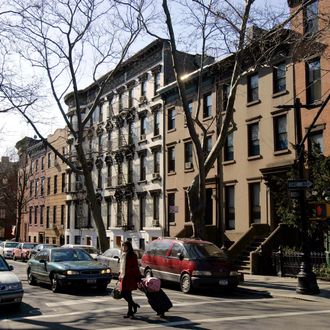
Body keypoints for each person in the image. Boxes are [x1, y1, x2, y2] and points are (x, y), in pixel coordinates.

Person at [119, 240, 141, 318]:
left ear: (129, 247)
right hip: (123, 276)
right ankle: (133, 305)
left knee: (128, 294)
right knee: (122, 294)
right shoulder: (122, 254)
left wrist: (134, 275)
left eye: (125, 246)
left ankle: (130, 312)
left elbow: (135, 267)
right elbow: (121, 266)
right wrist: (120, 274)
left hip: (129, 277)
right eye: (123, 246)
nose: (124, 247)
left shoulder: (132, 255)